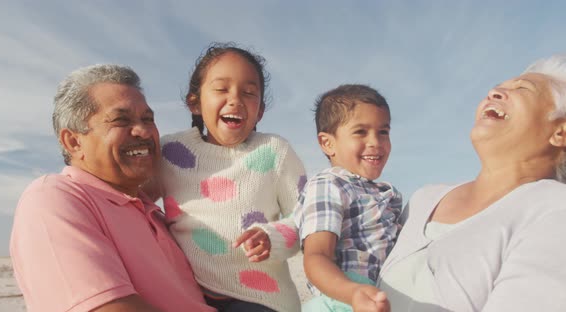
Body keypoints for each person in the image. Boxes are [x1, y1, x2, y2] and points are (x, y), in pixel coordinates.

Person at [353, 54, 566, 312]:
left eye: (522, 88)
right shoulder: (423, 199)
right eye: (499, 86)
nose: (494, 92)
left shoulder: (554, 209)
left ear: (560, 133)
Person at [10, 64, 215, 312]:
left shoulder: (156, 214)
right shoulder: (53, 198)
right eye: (121, 120)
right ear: (74, 142)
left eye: (148, 119)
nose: (143, 130)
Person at [156, 42, 307, 312]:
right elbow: (130, 199)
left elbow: (308, 219)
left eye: (249, 92)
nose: (236, 98)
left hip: (259, 300)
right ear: (195, 103)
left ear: (260, 110)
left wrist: (272, 237)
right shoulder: (170, 152)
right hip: (186, 295)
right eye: (221, 88)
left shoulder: (273, 151)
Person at [292, 84, 404, 312]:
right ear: (327, 143)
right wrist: (352, 292)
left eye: (383, 132)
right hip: (341, 301)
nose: (375, 141)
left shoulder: (385, 193)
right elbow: (317, 255)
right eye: (360, 132)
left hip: (380, 300)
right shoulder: (330, 184)